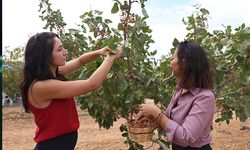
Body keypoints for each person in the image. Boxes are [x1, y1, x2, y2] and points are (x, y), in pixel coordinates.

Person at [20, 32, 122, 150]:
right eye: (59, 49)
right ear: (46, 56)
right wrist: (111, 57)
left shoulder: (53, 73)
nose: (65, 52)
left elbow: (79, 61)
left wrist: (100, 52)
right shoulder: (41, 86)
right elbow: (92, 84)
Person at [136, 40, 215, 150]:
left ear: (183, 63)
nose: (171, 61)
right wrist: (151, 115)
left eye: (173, 58)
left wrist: (156, 112)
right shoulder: (180, 89)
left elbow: (186, 137)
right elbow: (168, 120)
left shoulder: (205, 97)